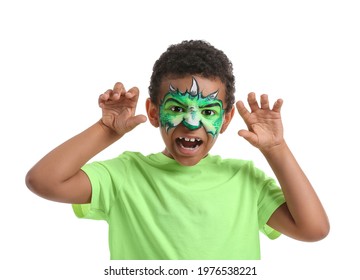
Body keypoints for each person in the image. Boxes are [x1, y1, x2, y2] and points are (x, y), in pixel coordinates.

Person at [25, 40, 329, 260]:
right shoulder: (125, 175)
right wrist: (105, 130)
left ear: (225, 120)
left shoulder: (244, 179)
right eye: (177, 108)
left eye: (208, 112)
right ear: (154, 112)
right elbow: (43, 181)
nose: (192, 122)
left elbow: (313, 229)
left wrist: (276, 148)